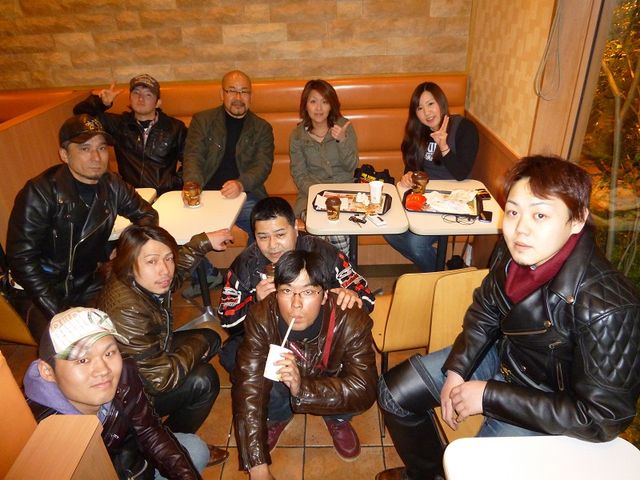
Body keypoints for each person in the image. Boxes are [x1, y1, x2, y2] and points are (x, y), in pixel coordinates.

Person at [375, 155, 640, 480]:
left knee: (468, 471)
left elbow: (602, 418)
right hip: (501, 356)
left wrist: (489, 396)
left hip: (546, 402)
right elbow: (486, 309)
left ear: (577, 219)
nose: (520, 229)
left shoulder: (609, 307)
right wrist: (458, 369)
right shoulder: (511, 252)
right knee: (392, 393)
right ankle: (428, 474)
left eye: (540, 214)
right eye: (513, 212)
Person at [6, 114, 158, 342]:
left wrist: (122, 247)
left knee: (128, 325)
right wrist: (61, 312)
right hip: (38, 291)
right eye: (85, 149)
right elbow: (21, 260)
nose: (96, 157)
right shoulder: (40, 192)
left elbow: (147, 215)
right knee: (73, 345)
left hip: (86, 281)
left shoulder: (112, 184)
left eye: (101, 148)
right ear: (64, 154)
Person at [232, 250, 378, 478]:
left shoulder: (350, 318)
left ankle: (337, 419)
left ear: (325, 295)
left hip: (331, 378)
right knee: (259, 378)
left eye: (308, 292)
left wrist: (302, 388)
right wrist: (257, 465)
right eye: (287, 291)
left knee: (351, 395)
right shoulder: (261, 317)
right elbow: (248, 387)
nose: (296, 304)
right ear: (276, 292)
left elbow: (365, 389)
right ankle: (279, 416)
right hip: (283, 379)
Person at [97, 224, 234, 466]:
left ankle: (171, 438)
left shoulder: (139, 278)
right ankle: (169, 446)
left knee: (210, 339)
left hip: (149, 355)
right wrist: (201, 343)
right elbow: (159, 381)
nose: (165, 270)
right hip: (132, 397)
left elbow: (176, 272)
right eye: (151, 261)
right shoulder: (127, 310)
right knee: (204, 380)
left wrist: (203, 241)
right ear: (130, 263)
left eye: (168, 258)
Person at [24, 307, 209, 479]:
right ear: (47, 371)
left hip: (133, 467)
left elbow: (148, 430)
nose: (103, 370)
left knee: (196, 450)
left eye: (109, 353)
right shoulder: (39, 431)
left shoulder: (124, 374)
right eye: (82, 360)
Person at [217, 196, 375, 372]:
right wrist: (255, 302)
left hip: (318, 337)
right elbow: (227, 321)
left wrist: (352, 296)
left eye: (280, 235)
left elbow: (366, 296)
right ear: (255, 236)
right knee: (231, 355)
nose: (272, 245)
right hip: (269, 336)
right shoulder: (245, 265)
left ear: (295, 229)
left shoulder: (323, 252)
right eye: (263, 237)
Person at [181, 70, 274, 298]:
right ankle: (207, 275)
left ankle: (250, 278)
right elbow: (192, 157)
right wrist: (193, 186)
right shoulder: (203, 121)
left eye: (244, 92)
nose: (238, 97)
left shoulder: (262, 128)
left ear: (251, 96)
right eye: (232, 91)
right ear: (221, 94)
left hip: (244, 195)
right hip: (205, 195)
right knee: (175, 227)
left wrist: (241, 184)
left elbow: (262, 166)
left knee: (263, 224)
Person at [383, 82, 479, 271]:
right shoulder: (419, 132)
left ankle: (437, 277)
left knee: (417, 244)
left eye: (430, 104)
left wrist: (444, 147)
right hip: (425, 200)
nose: (427, 112)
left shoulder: (464, 128)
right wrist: (408, 176)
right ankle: (440, 272)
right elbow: (411, 168)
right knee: (389, 229)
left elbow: (462, 173)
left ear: (441, 103)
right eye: (420, 108)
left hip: (453, 202)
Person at [73, 74, 188, 194]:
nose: (140, 98)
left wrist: (173, 184)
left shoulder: (175, 128)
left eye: (148, 94)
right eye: (136, 93)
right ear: (130, 98)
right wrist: (100, 103)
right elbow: (81, 117)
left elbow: (191, 160)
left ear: (158, 102)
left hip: (164, 195)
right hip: (131, 195)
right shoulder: (119, 124)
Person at [289, 79, 357, 255]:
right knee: (329, 227)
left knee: (335, 228)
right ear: (305, 105)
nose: (319, 108)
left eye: (324, 102)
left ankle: (335, 267)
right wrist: (320, 193)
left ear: (331, 105)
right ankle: (341, 267)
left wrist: (342, 140)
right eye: (313, 101)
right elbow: (299, 174)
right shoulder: (297, 136)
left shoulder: (343, 127)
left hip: (344, 192)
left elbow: (352, 166)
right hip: (310, 196)